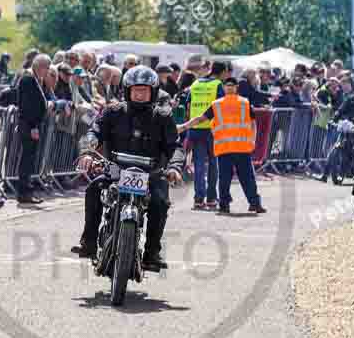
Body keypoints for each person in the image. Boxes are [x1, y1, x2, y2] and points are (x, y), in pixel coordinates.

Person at [71, 65, 184, 268]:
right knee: (94, 189)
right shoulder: (113, 112)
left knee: (160, 201)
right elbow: (93, 132)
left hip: (151, 173)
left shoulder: (163, 117)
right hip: (115, 169)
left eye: (144, 91)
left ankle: (152, 252)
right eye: (136, 90)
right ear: (127, 91)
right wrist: (88, 151)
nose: (140, 95)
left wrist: (174, 166)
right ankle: (88, 242)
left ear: (153, 92)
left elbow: (175, 146)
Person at [177, 77, 265, 214]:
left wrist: (184, 127)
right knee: (239, 178)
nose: (229, 88)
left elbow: (201, 119)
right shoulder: (234, 103)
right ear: (225, 88)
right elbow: (201, 118)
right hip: (235, 148)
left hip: (231, 148)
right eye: (228, 85)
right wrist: (183, 127)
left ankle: (240, 204)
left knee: (234, 178)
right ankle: (245, 204)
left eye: (231, 85)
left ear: (235, 87)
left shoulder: (234, 103)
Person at [184, 61, 229, 209]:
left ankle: (198, 199)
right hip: (212, 129)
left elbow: (188, 106)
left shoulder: (195, 83)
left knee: (198, 165)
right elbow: (221, 107)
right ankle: (211, 198)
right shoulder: (217, 85)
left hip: (195, 128)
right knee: (213, 164)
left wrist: (189, 126)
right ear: (222, 72)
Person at [16, 54, 52, 204]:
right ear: (40, 67)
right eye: (47, 68)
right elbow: (28, 106)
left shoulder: (35, 80)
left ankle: (27, 191)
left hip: (32, 125)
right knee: (27, 159)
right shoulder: (28, 80)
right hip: (29, 125)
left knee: (30, 159)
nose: (48, 71)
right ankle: (24, 192)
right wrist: (33, 126)